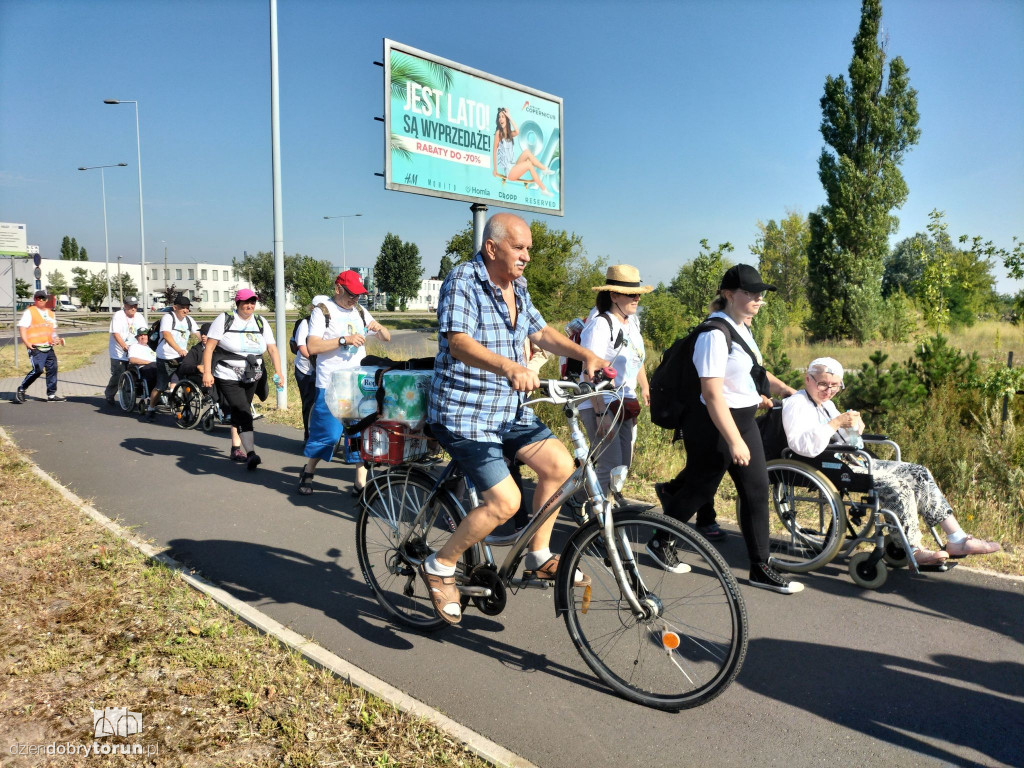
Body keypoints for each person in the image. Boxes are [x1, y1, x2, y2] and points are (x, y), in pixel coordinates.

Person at [419, 212, 609, 624]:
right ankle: (441, 565)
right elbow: (458, 342)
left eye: (529, 249)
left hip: (507, 408)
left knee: (560, 465)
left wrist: (585, 354)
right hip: (464, 413)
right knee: (507, 501)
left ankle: (538, 554)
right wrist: (509, 366)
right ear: (492, 248)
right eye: (519, 248)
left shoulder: (517, 287)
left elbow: (540, 333)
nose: (526, 257)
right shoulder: (463, 280)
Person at [654, 265, 801, 594]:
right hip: (714, 425)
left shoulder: (742, 328)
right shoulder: (713, 335)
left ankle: (760, 568)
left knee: (756, 490)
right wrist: (734, 440)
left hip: (743, 420)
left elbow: (752, 374)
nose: (758, 299)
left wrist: (790, 393)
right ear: (728, 294)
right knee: (700, 490)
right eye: (750, 293)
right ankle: (660, 539)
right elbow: (712, 393)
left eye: (760, 294)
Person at [783, 357, 1002, 564]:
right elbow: (802, 446)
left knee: (918, 472)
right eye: (823, 384)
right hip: (825, 466)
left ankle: (957, 538)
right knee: (896, 483)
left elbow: (849, 441)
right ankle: (913, 548)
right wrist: (836, 422)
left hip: (850, 461)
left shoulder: (827, 405)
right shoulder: (797, 404)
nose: (829, 391)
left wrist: (854, 428)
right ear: (808, 379)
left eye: (835, 386)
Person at [297, 275, 390, 496]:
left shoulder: (359, 311)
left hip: (358, 385)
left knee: (359, 433)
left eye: (358, 294)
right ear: (337, 288)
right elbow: (312, 346)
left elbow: (386, 337)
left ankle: (360, 483)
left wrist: (379, 328)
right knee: (327, 434)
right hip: (331, 384)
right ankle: (308, 470)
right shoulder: (323, 310)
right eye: (351, 294)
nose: (355, 298)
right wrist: (344, 340)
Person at [577, 265, 652, 495]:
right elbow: (590, 369)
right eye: (630, 293)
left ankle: (600, 507)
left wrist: (644, 386)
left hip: (624, 401)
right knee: (610, 465)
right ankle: (599, 520)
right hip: (600, 402)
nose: (636, 298)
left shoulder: (632, 323)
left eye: (638, 293)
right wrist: (601, 413)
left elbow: (635, 359)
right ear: (613, 295)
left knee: (623, 465)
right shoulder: (601, 324)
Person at [202, 289, 284, 470]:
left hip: (252, 374)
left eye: (253, 302)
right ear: (238, 304)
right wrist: (207, 373)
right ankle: (251, 454)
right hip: (227, 375)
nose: (249, 306)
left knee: (240, 411)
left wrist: (278, 372)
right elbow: (209, 348)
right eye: (246, 302)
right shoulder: (225, 319)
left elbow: (272, 349)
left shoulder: (261, 322)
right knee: (243, 410)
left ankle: (235, 448)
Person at [147, 294, 198, 422]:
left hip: (181, 357)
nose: (185, 310)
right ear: (175, 307)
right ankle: (151, 408)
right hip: (165, 357)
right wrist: (178, 349)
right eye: (183, 308)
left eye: (187, 308)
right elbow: (167, 335)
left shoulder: (189, 320)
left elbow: (198, 333)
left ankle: (184, 410)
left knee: (184, 384)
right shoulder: (168, 317)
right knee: (160, 386)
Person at [292, 295, 330, 444]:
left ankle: (324, 435)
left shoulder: (329, 322)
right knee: (309, 402)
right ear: (314, 308)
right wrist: (316, 362)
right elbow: (302, 346)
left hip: (323, 370)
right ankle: (308, 436)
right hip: (306, 370)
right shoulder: (305, 323)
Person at [15, 290, 65, 403]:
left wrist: (55, 339)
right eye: (38, 298)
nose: (40, 300)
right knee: (38, 370)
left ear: (46, 300)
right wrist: (27, 343)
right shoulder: (30, 312)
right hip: (35, 347)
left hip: (48, 347)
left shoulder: (51, 313)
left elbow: (52, 331)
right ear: (35, 299)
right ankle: (22, 389)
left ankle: (51, 395)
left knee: (53, 368)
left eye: (43, 298)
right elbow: (22, 328)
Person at [492, 108, 554, 196]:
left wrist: (509, 116)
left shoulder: (509, 134)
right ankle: (543, 189)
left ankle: (544, 169)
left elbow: (517, 131)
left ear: (506, 119)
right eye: (499, 117)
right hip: (510, 172)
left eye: (503, 117)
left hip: (514, 166)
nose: (501, 119)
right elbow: (494, 151)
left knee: (527, 152)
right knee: (528, 164)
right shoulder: (499, 133)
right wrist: (495, 169)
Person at [104, 296, 147, 405]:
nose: (133, 308)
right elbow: (116, 334)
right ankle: (109, 393)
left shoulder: (139, 317)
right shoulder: (118, 316)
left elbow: (144, 333)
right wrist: (124, 346)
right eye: (131, 306)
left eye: (135, 306)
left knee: (134, 375)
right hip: (119, 352)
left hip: (134, 351)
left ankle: (128, 398)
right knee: (118, 374)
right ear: (125, 306)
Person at [126, 327, 159, 396]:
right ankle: (153, 395)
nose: (143, 337)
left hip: (156, 365)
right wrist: (148, 362)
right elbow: (132, 360)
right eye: (141, 335)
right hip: (143, 367)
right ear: (137, 338)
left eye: (145, 335)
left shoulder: (153, 347)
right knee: (153, 368)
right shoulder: (134, 346)